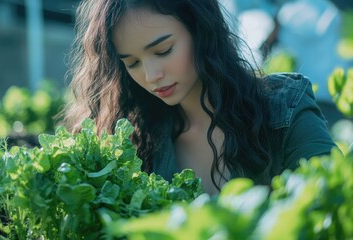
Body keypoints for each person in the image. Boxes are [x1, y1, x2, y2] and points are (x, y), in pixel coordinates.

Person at [61, 0, 336, 195]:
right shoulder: (137, 142)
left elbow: (332, 209)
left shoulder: (284, 108)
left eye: (163, 50)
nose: (151, 74)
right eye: (132, 63)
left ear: (201, 30)